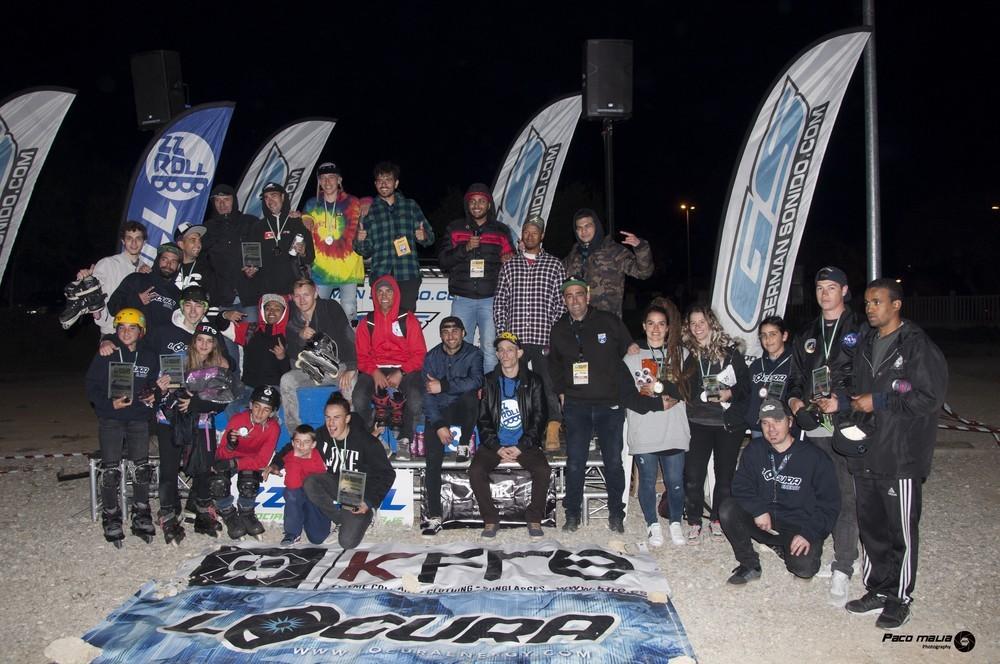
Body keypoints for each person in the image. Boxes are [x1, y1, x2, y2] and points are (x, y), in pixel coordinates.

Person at [841, 279, 948, 630]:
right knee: (870, 525)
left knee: (900, 528)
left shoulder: (916, 346)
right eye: (868, 302)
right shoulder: (866, 342)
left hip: (900, 455)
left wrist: (881, 401)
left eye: (877, 301)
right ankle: (876, 589)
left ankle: (900, 597)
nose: (870, 308)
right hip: (866, 451)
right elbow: (856, 389)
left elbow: (929, 399)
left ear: (896, 304)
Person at [786, 266, 865, 606]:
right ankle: (839, 551)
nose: (824, 293)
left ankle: (844, 565)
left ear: (845, 291)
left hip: (848, 422)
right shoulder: (807, 332)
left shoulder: (861, 330)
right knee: (821, 491)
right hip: (816, 425)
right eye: (820, 287)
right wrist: (793, 402)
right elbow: (793, 379)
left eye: (832, 287)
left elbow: (871, 381)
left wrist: (843, 401)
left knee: (846, 495)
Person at [721, 399, 840, 585]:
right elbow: (740, 486)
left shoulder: (815, 457)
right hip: (765, 522)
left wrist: (809, 533)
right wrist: (758, 510)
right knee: (728, 508)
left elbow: (830, 504)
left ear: (790, 422)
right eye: (766, 423)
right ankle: (750, 563)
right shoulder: (755, 450)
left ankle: (785, 547)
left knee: (804, 569)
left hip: (798, 526)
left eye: (778, 421)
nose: (771, 429)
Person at [549, 278, 632, 533]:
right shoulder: (559, 328)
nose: (574, 300)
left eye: (578, 294)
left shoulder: (608, 321)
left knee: (613, 462)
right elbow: (554, 365)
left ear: (587, 296)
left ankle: (616, 513)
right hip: (577, 405)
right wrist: (562, 392)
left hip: (609, 405)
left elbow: (629, 351)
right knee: (575, 461)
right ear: (564, 300)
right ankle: (572, 514)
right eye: (569, 296)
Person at [268, 395, 396, 549]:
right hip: (332, 482)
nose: (331, 423)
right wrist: (276, 463)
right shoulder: (321, 434)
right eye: (328, 417)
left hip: (354, 486)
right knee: (311, 481)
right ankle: (340, 518)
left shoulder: (366, 441)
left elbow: (387, 474)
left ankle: (367, 515)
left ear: (347, 419)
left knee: (347, 542)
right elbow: (294, 445)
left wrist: (369, 502)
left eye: (337, 417)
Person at [84, 308, 165, 547]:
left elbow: (152, 385)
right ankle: (112, 517)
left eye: (132, 328)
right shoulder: (107, 352)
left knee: (141, 468)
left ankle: (141, 514)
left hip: (139, 418)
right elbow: (91, 386)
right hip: (111, 417)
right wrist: (109, 403)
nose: (126, 332)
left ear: (141, 331)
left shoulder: (149, 356)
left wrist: (155, 395)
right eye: (122, 328)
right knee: (110, 470)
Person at [492, 215, 566, 451]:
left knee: (548, 383)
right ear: (521, 236)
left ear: (542, 236)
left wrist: (553, 335)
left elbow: (560, 304)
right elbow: (500, 301)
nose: (530, 236)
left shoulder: (555, 265)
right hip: (516, 339)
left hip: (544, 338)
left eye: (535, 232)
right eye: (526, 232)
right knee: (517, 386)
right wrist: (504, 337)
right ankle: (517, 429)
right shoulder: (510, 265)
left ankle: (553, 425)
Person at [681, 304, 751, 543]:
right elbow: (679, 387)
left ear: (711, 323)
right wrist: (695, 395)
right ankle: (693, 520)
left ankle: (718, 519)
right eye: (693, 323)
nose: (698, 327)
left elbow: (745, 386)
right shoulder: (686, 354)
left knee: (724, 475)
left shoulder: (730, 353)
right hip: (697, 422)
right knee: (693, 474)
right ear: (688, 328)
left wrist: (729, 393)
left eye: (702, 322)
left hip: (726, 423)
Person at [470, 332, 550, 539]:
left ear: (519, 353)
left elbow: (540, 418)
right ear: (497, 354)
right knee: (476, 470)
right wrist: (496, 446)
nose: (505, 354)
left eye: (510, 349)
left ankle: (534, 518)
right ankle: (490, 519)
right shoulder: (489, 381)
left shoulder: (534, 381)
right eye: (501, 350)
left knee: (543, 470)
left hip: (524, 444)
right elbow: (483, 419)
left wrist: (522, 446)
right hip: (495, 444)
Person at [624, 299, 691, 547]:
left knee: (675, 482)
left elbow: (687, 390)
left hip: (673, 430)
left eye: (661, 324)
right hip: (645, 431)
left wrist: (663, 387)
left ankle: (675, 522)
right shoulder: (631, 358)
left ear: (668, 328)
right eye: (651, 323)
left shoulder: (681, 355)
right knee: (648, 482)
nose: (655, 329)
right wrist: (658, 402)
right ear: (643, 326)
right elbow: (627, 396)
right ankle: (652, 524)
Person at [438, 183, 515, 373]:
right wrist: (464, 249)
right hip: (462, 299)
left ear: (489, 205)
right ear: (467, 204)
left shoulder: (501, 230)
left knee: (489, 349)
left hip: (491, 299)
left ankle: (488, 395)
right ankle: (462, 392)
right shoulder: (455, 228)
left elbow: (511, 259)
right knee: (459, 348)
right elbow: (444, 261)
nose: (477, 205)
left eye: (481, 201)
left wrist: (509, 259)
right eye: (473, 201)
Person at [420, 316, 484, 537]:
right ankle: (435, 515)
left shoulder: (473, 353)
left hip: (461, 408)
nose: (450, 335)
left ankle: (464, 443)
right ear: (440, 335)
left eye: (455, 330)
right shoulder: (431, 357)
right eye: (445, 331)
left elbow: (476, 381)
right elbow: (427, 396)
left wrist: (444, 385)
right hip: (439, 411)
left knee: (471, 397)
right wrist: (438, 424)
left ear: (464, 333)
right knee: (433, 459)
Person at [171, 322, 236, 537]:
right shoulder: (180, 362)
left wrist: (195, 401)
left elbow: (223, 400)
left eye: (209, 341)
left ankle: (202, 513)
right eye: (200, 340)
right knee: (181, 464)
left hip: (205, 421)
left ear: (214, 345)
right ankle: (181, 510)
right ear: (194, 341)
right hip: (179, 422)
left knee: (204, 465)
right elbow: (174, 394)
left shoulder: (220, 364)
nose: (204, 344)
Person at [352, 275, 427, 450]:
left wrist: (401, 371)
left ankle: (405, 439)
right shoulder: (367, 322)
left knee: (416, 399)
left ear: (396, 295)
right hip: (375, 369)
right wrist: (374, 371)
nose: (384, 295)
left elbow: (420, 355)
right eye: (380, 291)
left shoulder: (408, 319)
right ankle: (373, 435)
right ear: (374, 295)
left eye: (388, 291)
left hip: (404, 369)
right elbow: (360, 356)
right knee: (359, 398)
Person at [353, 161, 435, 313]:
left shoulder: (410, 206)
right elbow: (363, 251)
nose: (384, 184)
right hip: (380, 274)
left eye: (388, 180)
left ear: (396, 183)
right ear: (375, 184)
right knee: (383, 320)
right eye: (380, 180)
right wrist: (360, 239)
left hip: (408, 273)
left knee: (405, 320)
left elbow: (430, 238)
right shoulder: (368, 211)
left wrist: (423, 236)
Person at [280, 278, 358, 432]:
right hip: (308, 370)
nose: (302, 300)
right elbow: (292, 355)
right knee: (286, 380)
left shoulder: (330, 307)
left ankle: (352, 430)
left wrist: (351, 367)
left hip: (336, 367)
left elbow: (347, 335)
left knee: (351, 381)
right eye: (297, 296)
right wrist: (300, 337)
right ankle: (294, 432)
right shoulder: (292, 316)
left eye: (306, 295)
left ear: (315, 294)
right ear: (292, 297)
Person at [211, 385, 281, 540]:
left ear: (272, 412)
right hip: (231, 459)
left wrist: (235, 464)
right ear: (250, 405)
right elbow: (220, 453)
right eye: (256, 407)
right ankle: (228, 513)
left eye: (266, 410)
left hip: (247, 463)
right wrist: (230, 446)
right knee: (218, 482)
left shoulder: (273, 428)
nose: (259, 413)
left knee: (249, 482)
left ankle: (246, 512)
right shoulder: (238, 419)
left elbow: (261, 461)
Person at [300, 162, 369, 319]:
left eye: (331, 177)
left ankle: (350, 344)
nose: (327, 182)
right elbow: (305, 218)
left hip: (348, 270)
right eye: (323, 178)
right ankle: (320, 344)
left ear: (339, 180)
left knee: (349, 311)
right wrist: (304, 219)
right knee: (318, 313)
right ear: (319, 182)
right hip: (321, 271)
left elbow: (370, 204)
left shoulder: (353, 202)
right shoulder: (312, 204)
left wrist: (368, 201)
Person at [562, 208, 653, 317]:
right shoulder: (572, 256)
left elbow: (644, 273)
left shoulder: (613, 251)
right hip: (578, 324)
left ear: (596, 226)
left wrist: (640, 247)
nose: (584, 231)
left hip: (607, 323)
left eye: (588, 226)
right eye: (579, 228)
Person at [76, 220, 150, 335]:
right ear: (123, 241)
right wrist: (83, 278)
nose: (134, 243)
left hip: (136, 333)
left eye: (138, 238)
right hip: (111, 331)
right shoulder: (108, 263)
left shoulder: (146, 269)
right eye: (129, 238)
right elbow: (90, 289)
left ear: (144, 242)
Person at [226, 293, 291, 415]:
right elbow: (222, 326)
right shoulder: (250, 329)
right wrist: (225, 314)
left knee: (263, 410)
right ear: (262, 311)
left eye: (277, 309)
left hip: (272, 387)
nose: (271, 312)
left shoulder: (289, 334)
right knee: (230, 407)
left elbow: (288, 375)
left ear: (284, 312)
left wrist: (282, 357)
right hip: (248, 387)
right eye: (268, 308)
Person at [246, 182, 315, 296]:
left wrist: (303, 253)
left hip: (295, 291)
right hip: (267, 292)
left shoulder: (297, 223)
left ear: (283, 197)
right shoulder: (257, 227)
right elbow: (251, 263)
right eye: (266, 197)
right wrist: (250, 271)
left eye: (274, 195)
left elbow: (310, 257)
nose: (270, 200)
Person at [202, 184, 259, 319]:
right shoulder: (206, 228)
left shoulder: (250, 222)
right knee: (222, 340)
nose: (222, 204)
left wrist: (255, 267)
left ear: (234, 200)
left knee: (249, 338)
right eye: (217, 200)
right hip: (221, 299)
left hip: (249, 296)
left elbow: (261, 250)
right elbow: (202, 262)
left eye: (226, 199)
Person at [107, 242, 183, 334]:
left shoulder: (178, 294)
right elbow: (112, 307)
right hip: (131, 344)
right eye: (164, 259)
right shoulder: (137, 279)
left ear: (178, 266)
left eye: (173, 261)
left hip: (159, 347)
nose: (168, 264)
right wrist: (137, 300)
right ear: (157, 260)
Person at [275, 425, 329, 546]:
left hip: (314, 497)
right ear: (293, 443)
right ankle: (292, 533)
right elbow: (292, 484)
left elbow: (320, 483)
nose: (301, 446)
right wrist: (295, 459)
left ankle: (306, 516)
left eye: (306, 442)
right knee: (291, 493)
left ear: (313, 444)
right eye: (297, 442)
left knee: (317, 538)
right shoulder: (290, 457)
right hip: (298, 493)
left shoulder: (317, 456)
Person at [745, 316, 793, 439]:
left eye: (773, 334)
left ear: (784, 336)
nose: (768, 339)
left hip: (783, 427)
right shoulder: (756, 365)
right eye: (763, 335)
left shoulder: (794, 363)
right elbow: (746, 394)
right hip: (759, 427)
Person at [173, 221, 213, 292]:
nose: (198, 245)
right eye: (193, 240)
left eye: (199, 240)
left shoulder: (207, 269)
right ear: (181, 244)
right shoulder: (169, 265)